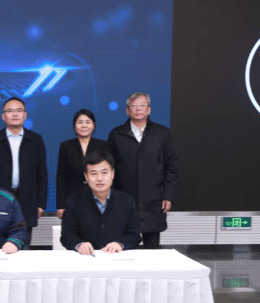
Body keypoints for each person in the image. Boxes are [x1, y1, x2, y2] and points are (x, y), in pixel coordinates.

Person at [107, 92, 178, 249]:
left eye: (142, 105)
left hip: (154, 198)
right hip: (124, 198)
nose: (138, 109)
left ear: (149, 109)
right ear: (127, 110)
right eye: (133, 106)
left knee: (152, 249)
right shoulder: (116, 134)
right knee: (123, 248)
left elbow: (171, 166)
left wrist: (168, 195)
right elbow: (109, 168)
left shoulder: (162, 133)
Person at [0, 97, 47, 247]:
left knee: (24, 243)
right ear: (3, 116)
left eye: (19, 110)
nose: (15, 114)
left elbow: (42, 174)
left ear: (25, 115)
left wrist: (41, 204)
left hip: (27, 199)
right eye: (10, 111)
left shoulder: (36, 140)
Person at [60, 150, 140, 254]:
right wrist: (79, 244)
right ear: (86, 176)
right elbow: (67, 235)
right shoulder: (73, 202)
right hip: (87, 258)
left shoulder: (127, 201)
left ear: (112, 174)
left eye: (104, 173)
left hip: (116, 258)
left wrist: (120, 244)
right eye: (94, 174)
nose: (99, 178)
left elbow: (134, 235)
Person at [56, 109, 110, 220]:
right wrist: (61, 205)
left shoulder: (103, 145)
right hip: (73, 198)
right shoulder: (66, 146)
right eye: (80, 122)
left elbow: (108, 174)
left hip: (98, 198)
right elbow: (61, 177)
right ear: (74, 126)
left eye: (87, 122)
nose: (84, 126)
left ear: (93, 125)